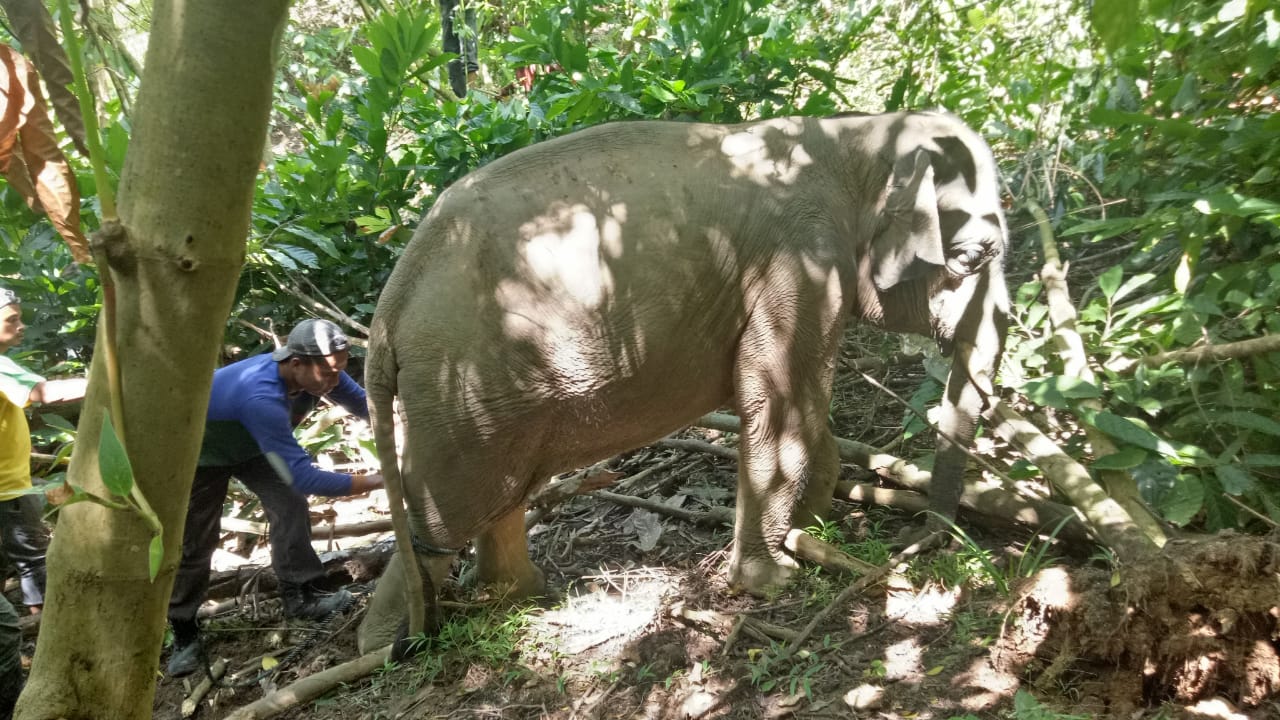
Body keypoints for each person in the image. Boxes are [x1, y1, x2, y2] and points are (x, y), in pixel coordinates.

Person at [166, 318, 384, 677]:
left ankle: (300, 595)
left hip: (253, 448)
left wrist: (400, 422)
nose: (335, 380)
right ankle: (184, 631)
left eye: (340, 370)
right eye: (329, 373)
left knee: (290, 502)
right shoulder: (261, 397)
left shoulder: (321, 372)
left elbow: (363, 404)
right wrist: (377, 480)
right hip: (201, 455)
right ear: (296, 363)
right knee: (197, 541)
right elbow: (304, 476)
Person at [0, 287, 87, 617]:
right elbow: (44, 392)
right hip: (7, 489)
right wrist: (103, 381)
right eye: (12, 319)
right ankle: (47, 626)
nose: (21, 326)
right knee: (34, 561)